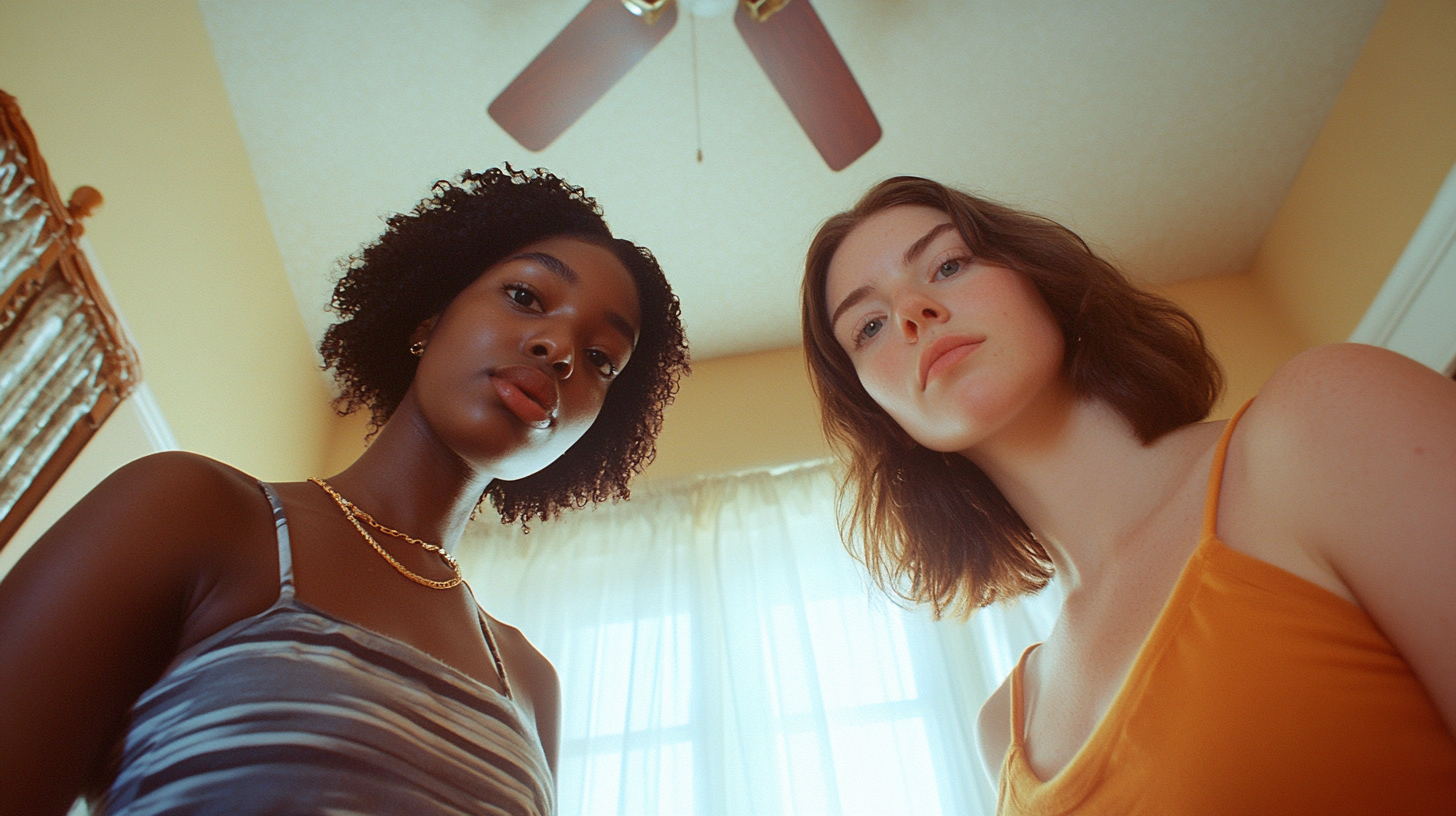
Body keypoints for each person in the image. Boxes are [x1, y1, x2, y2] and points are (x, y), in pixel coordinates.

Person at [0, 166, 690, 816]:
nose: (560, 350)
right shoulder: (186, 510)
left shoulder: (533, 685)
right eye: (525, 296)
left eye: (601, 359)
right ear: (428, 319)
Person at [800, 175, 1456, 814]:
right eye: (869, 327)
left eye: (947, 265)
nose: (912, 313)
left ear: (1043, 284)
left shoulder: (1323, 420)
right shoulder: (1003, 730)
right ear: (881, 414)